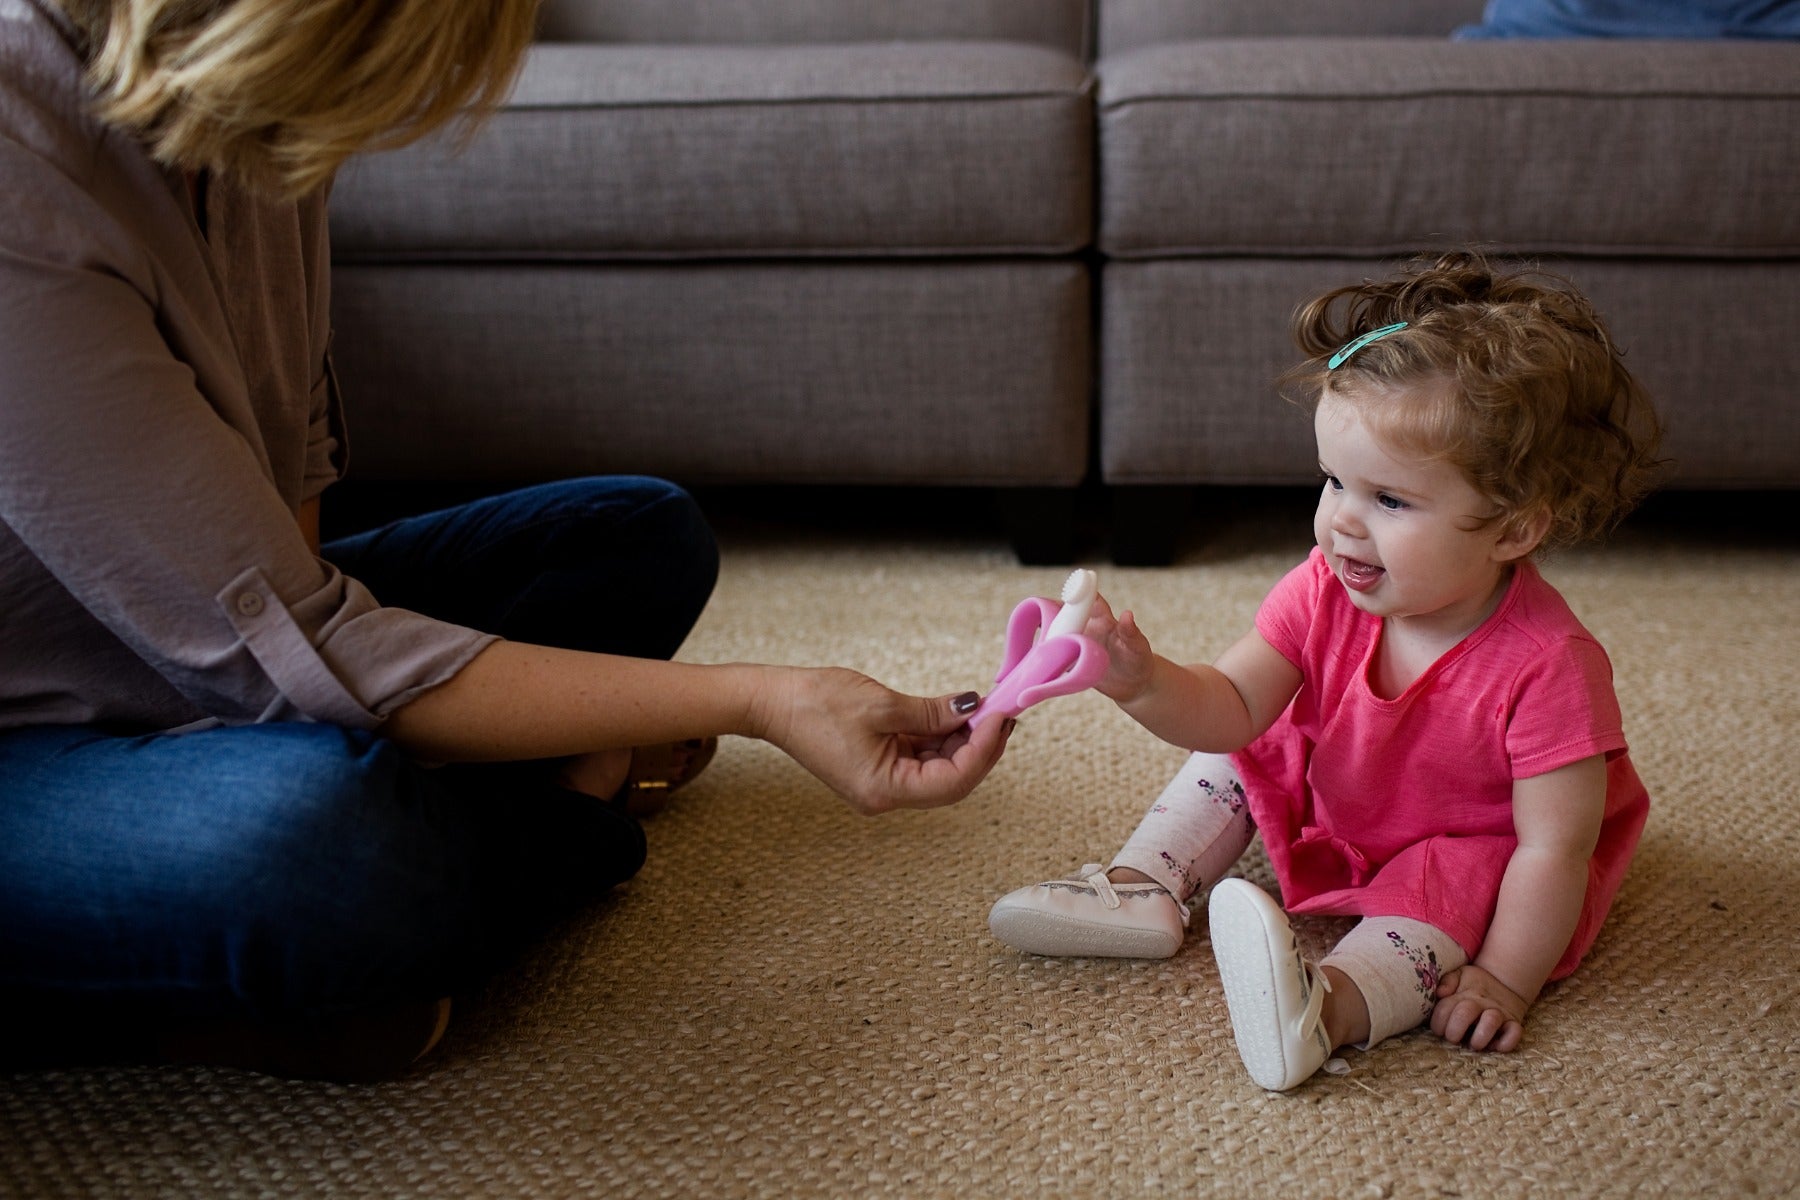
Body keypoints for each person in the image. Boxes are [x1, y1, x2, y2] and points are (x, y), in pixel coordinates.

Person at [0, 0, 1012, 1082]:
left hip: (209, 642)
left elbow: (294, 530)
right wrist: (762, 698)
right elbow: (300, 644)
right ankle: (526, 841)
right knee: (326, 847)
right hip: (31, 729)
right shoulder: (22, 161)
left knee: (634, 535)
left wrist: (331, 711)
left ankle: (431, 865)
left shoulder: (253, 115)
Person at [988, 251, 1663, 1091]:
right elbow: (1230, 705)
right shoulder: (1321, 587)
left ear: (1514, 530)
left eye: (1389, 501)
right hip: (1348, 794)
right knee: (1252, 746)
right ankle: (1144, 887)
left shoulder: (1551, 665)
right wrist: (1142, 679)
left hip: (1469, 845)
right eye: (1334, 480)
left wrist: (1504, 978)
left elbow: (1552, 850)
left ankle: (1326, 1008)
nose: (1341, 521)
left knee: (1458, 881)